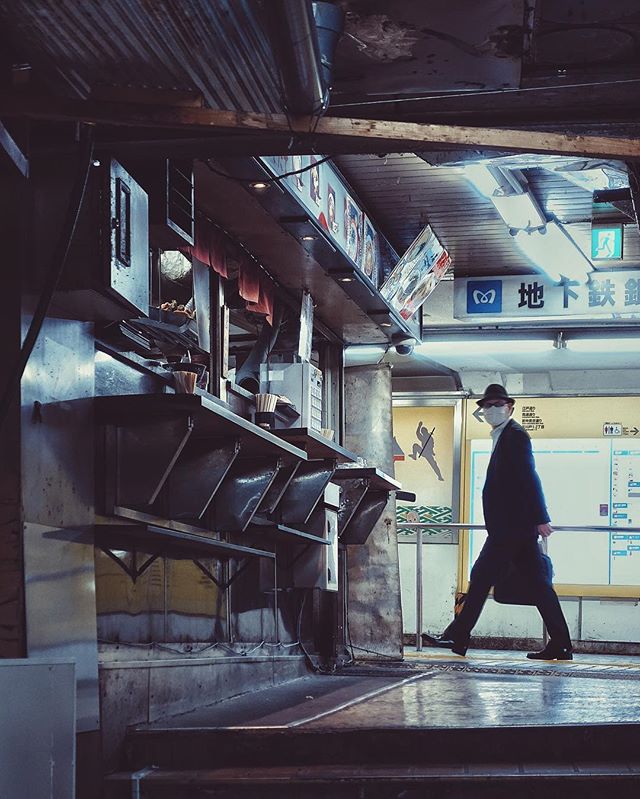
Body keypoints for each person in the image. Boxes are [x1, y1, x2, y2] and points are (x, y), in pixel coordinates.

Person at [425, 384, 573, 661]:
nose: (492, 410)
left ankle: (458, 635)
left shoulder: (515, 436)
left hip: (511, 528)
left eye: (498, 405)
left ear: (510, 407)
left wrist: (541, 518)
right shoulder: (504, 435)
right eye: (488, 406)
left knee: (482, 578)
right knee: (531, 585)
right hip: (511, 528)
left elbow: (529, 477)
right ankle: (561, 644)